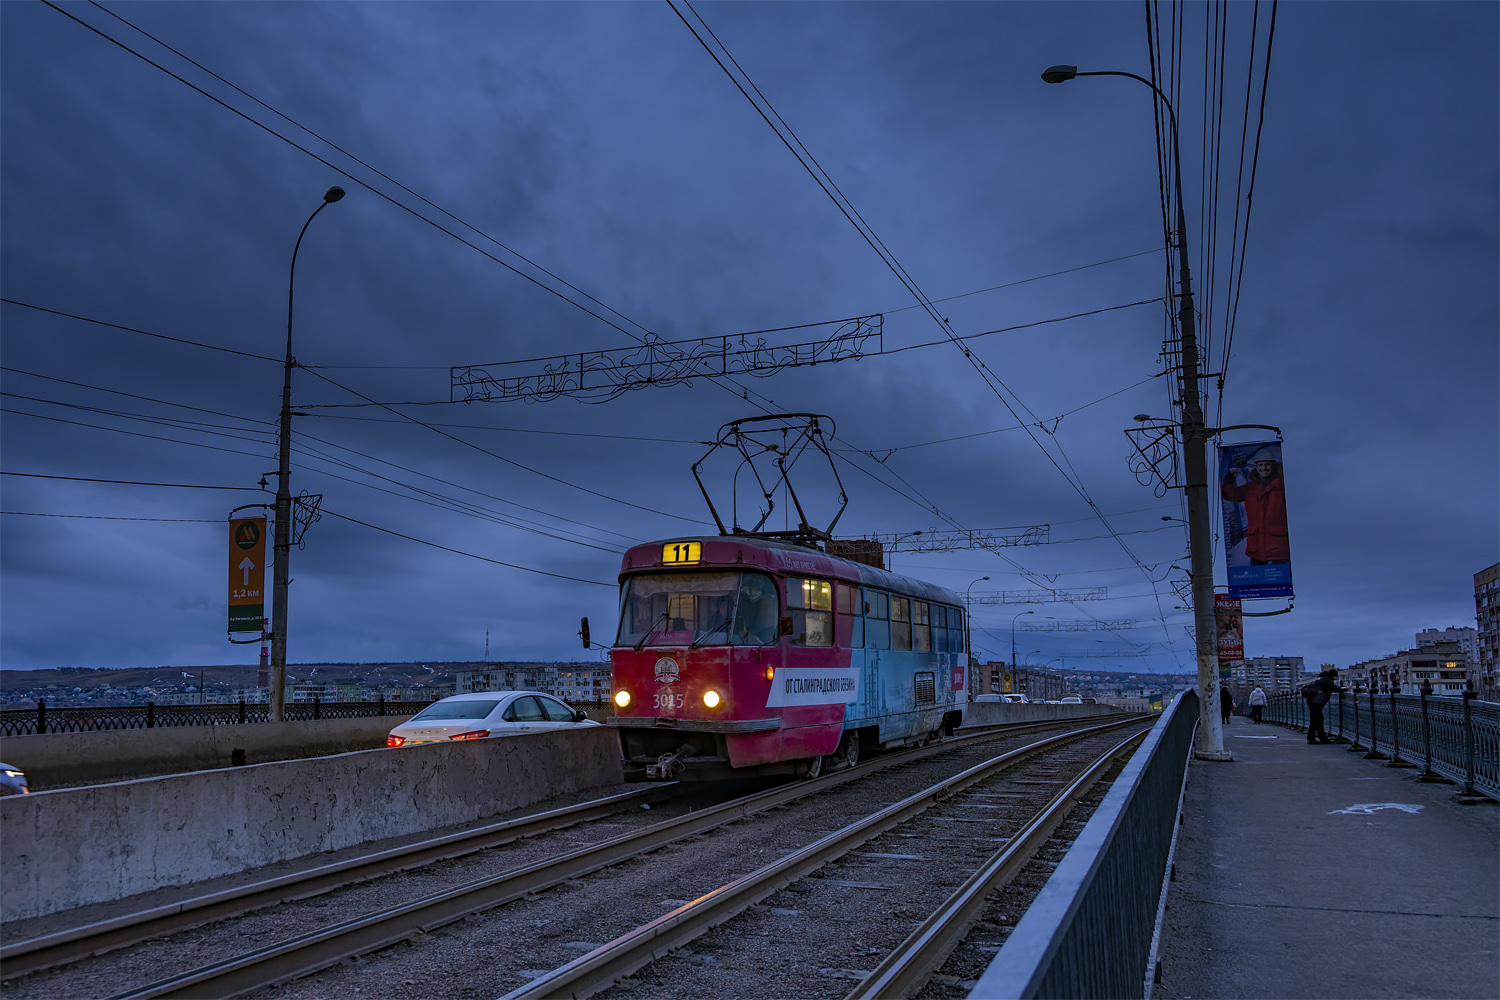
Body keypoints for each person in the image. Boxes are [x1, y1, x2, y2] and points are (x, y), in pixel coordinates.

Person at [1221, 447, 1290, 565]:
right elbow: (1230, 495)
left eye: (1267, 464)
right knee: (1256, 581)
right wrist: (1229, 479)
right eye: (1260, 465)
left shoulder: (1283, 485)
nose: (1264, 468)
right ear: (1256, 467)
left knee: (1279, 581)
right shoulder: (1250, 488)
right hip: (1256, 547)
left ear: (1274, 465)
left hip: (1279, 547)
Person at [1300, 668, 1340, 744]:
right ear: (1333, 676)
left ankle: (1322, 737)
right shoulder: (1327, 680)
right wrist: (1346, 689)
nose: (1335, 679)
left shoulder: (1321, 679)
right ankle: (1312, 738)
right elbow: (1335, 688)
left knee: (1318, 720)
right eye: (1336, 677)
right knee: (1316, 720)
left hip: (1312, 701)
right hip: (1316, 702)